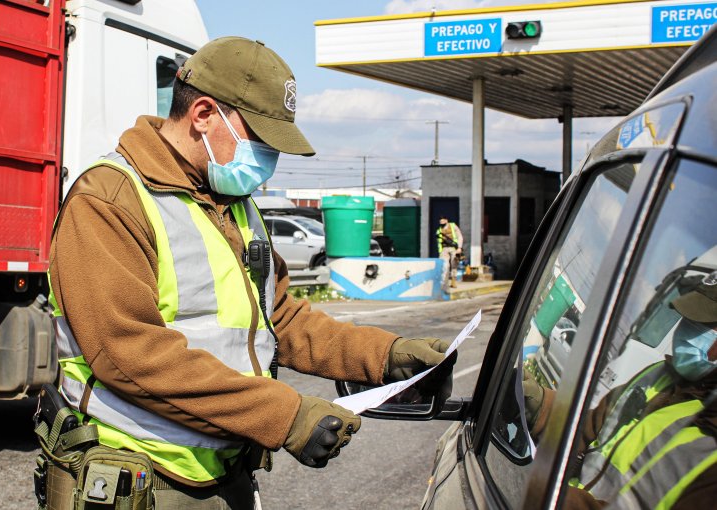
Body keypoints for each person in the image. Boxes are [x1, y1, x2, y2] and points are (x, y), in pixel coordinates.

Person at [43, 37, 455, 509]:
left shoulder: (233, 204)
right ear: (202, 115)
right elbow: (129, 351)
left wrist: (387, 356)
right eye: (258, 140)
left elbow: (279, 317)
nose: (267, 160)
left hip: (225, 469)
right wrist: (285, 415)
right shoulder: (110, 199)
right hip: (140, 481)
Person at [523, 271, 717, 509]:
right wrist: (540, 405)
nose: (686, 329)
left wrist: (568, 502)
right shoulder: (659, 375)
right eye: (687, 320)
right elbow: (587, 427)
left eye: (703, 325)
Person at [436, 216, 463, 289]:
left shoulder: (453, 226)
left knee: (454, 264)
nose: (441, 223)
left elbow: (459, 236)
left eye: (443, 221)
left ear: (446, 220)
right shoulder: (439, 230)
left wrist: (459, 247)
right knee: (444, 265)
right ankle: (444, 282)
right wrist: (440, 252)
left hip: (454, 248)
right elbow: (439, 243)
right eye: (440, 222)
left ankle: (453, 281)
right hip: (444, 249)